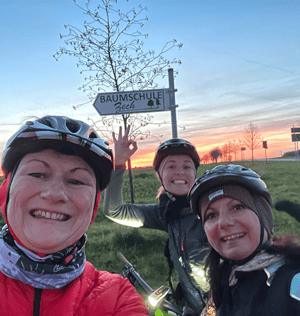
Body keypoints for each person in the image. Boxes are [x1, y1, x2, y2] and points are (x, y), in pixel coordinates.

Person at [0, 116, 148, 316]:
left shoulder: (117, 298)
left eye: (77, 181)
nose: (54, 194)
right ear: (6, 191)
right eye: (37, 174)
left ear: (93, 208)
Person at [103, 126, 209, 315]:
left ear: (195, 174)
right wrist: (118, 164)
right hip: (193, 307)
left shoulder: (212, 210)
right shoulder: (166, 214)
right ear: (159, 176)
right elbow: (115, 210)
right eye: (171, 166)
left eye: (187, 166)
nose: (179, 172)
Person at [188, 164, 300, 316]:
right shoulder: (226, 279)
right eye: (211, 215)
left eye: (237, 207)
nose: (223, 223)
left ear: (264, 217)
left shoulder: (293, 282)